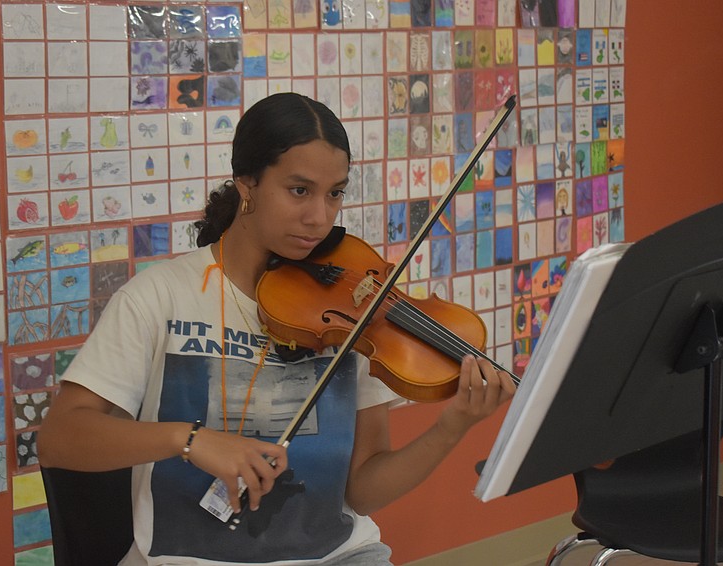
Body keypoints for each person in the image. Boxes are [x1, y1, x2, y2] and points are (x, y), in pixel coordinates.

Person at [38, 92, 516, 565]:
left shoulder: (356, 311)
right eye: (299, 191)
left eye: (335, 194)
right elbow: (60, 438)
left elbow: (363, 492)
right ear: (247, 184)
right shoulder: (158, 297)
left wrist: (452, 427)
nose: (320, 217)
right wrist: (190, 439)